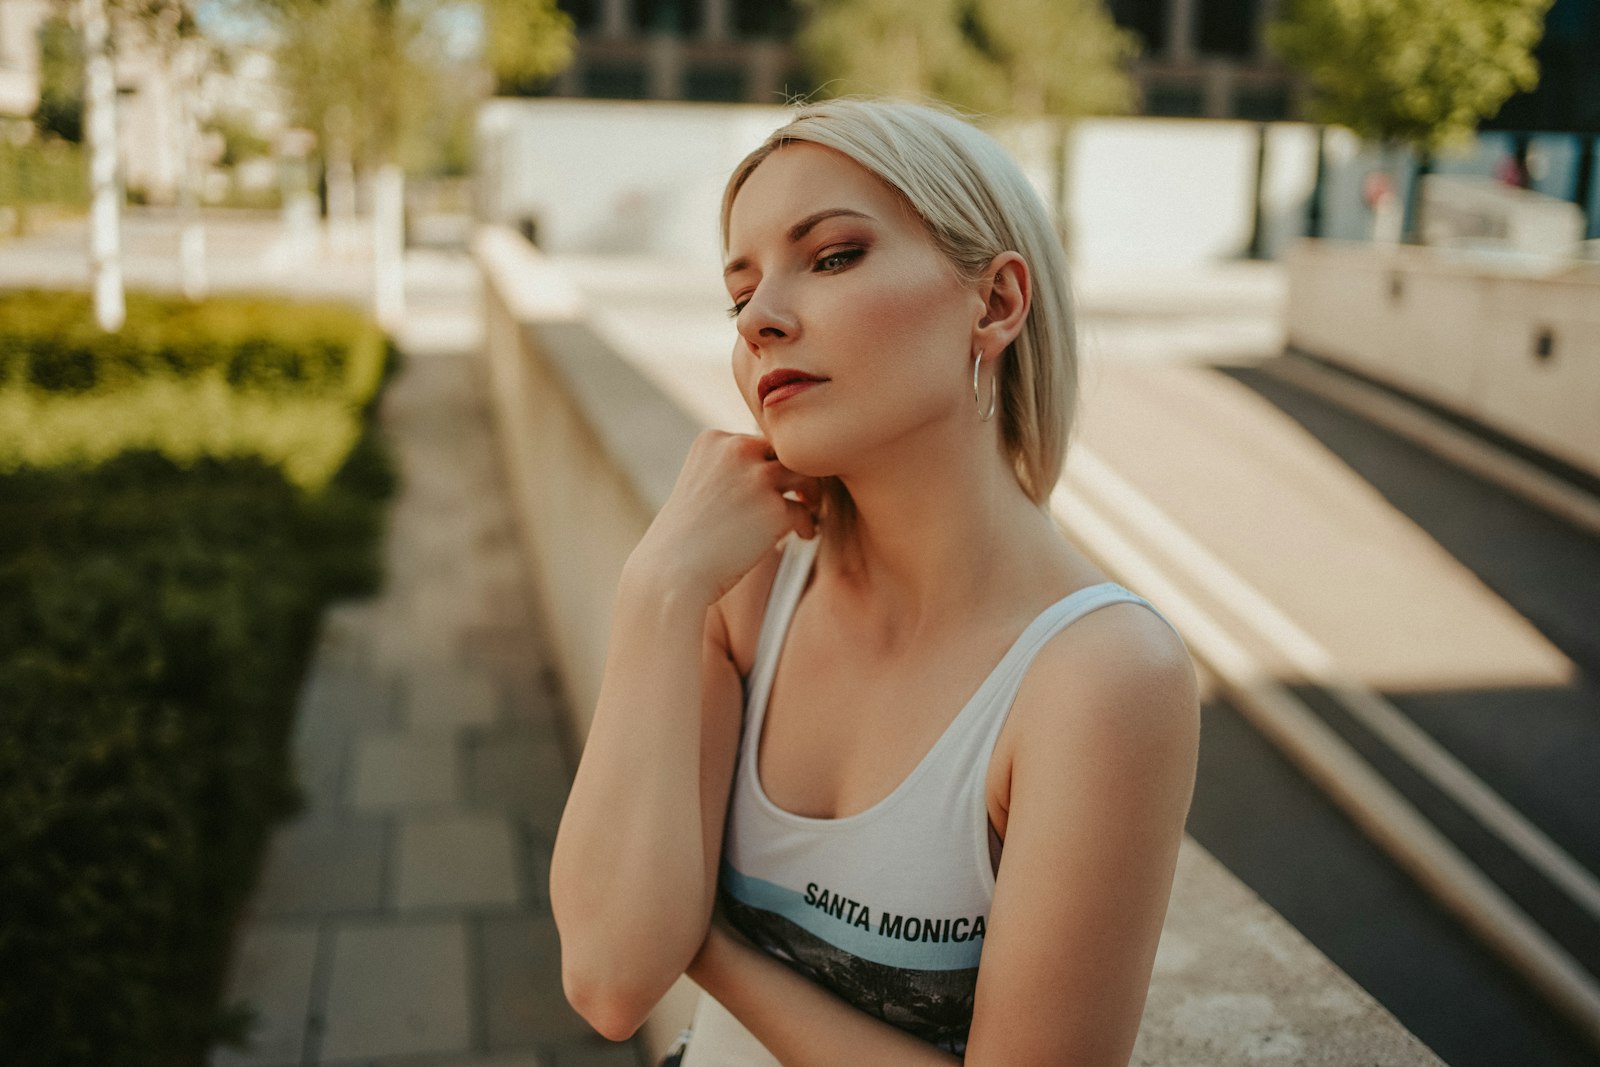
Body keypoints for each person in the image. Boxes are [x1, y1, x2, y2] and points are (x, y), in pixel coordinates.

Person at [549, 98, 1200, 1066]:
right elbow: (607, 979)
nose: (762, 319)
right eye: (740, 293)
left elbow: (652, 950)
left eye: (832, 255)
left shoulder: (1100, 678)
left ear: (994, 302)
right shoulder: (743, 593)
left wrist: (704, 933)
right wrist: (658, 586)